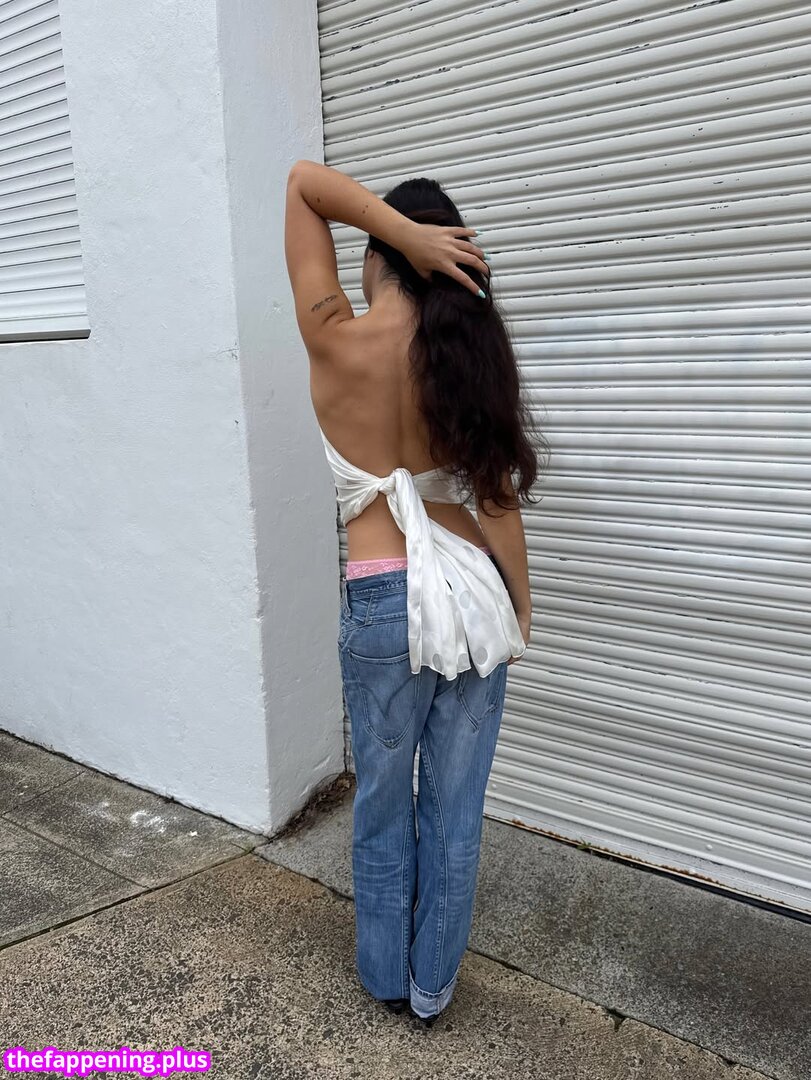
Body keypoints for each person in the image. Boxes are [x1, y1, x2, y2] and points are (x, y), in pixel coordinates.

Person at [284, 160, 548, 1027]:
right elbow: (497, 504)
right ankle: (431, 988)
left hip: (379, 600)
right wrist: (521, 608)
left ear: (375, 255)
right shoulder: (460, 360)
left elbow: (302, 184)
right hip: (472, 599)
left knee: (381, 803)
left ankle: (383, 977)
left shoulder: (334, 338)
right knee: (455, 811)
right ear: (440, 264)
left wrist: (396, 232)